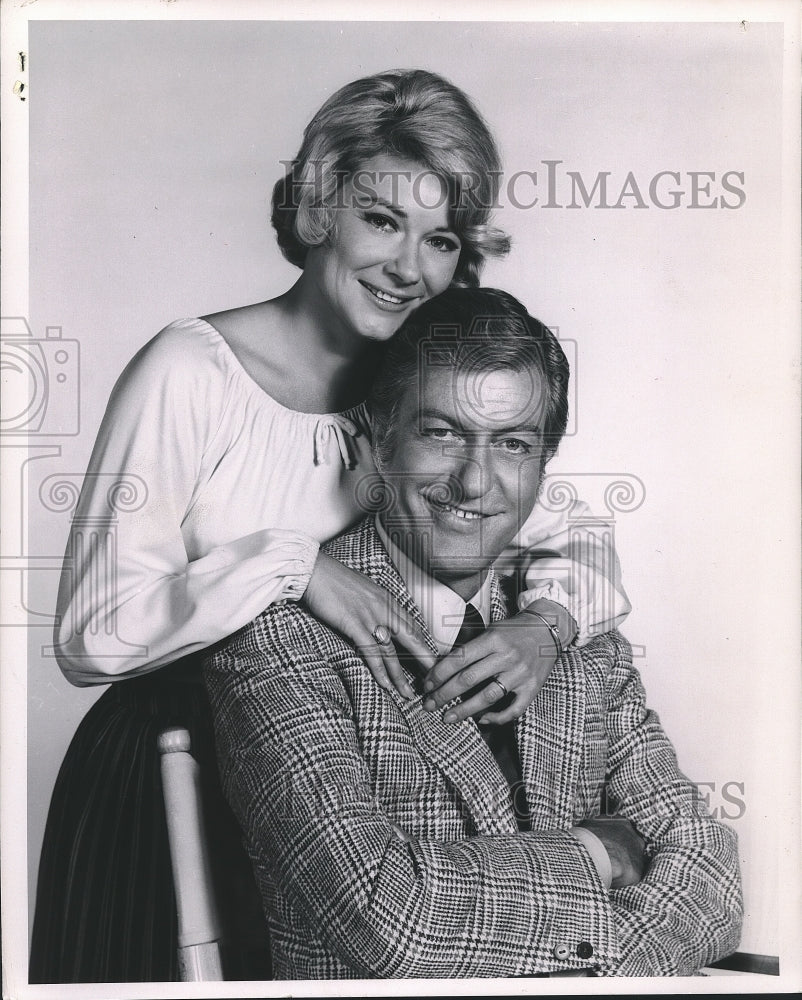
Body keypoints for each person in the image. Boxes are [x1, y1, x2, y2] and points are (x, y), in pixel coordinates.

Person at [31, 71, 629, 982]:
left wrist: (546, 627)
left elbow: (565, 528)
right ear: (319, 210)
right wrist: (293, 567)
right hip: (171, 780)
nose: (408, 267)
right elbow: (89, 631)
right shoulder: (192, 371)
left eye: (438, 240)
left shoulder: (420, 392)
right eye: (381, 221)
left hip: (342, 800)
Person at [206, 287, 742, 979]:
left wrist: (586, 971)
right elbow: (392, 920)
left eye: (512, 444)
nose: (474, 480)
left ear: (543, 467)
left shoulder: (581, 638)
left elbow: (713, 881)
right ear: (378, 438)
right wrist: (595, 855)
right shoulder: (278, 638)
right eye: (442, 433)